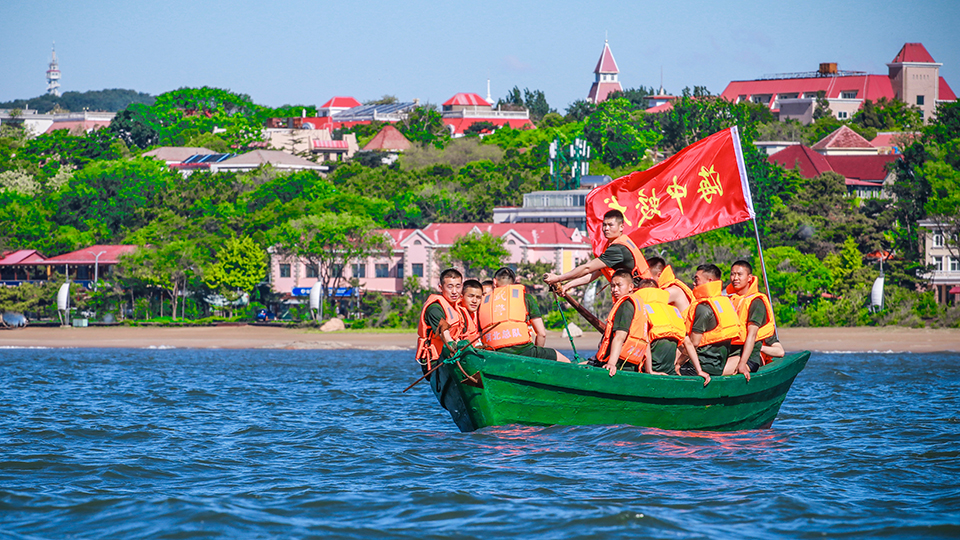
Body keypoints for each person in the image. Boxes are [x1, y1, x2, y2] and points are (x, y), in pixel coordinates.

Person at [543, 210, 651, 294]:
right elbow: (594, 273)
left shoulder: (617, 248)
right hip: (641, 291)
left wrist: (558, 278)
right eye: (604, 225)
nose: (606, 229)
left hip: (642, 293)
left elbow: (587, 268)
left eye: (610, 225)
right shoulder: (615, 244)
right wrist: (567, 286)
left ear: (621, 227)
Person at [478, 267, 570, 362]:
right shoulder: (525, 297)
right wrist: (536, 357)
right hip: (525, 351)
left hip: (495, 354)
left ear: (494, 282)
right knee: (565, 361)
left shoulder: (484, 301)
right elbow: (541, 334)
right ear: (513, 283)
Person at [634, 279, 708, 385]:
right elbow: (688, 344)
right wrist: (699, 370)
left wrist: (649, 370)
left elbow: (645, 341)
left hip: (652, 371)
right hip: (670, 371)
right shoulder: (673, 312)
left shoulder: (642, 311)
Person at [682, 264, 745, 378]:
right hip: (718, 367)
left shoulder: (703, 307)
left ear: (709, 281)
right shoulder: (726, 303)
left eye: (697, 279)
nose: (694, 283)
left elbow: (694, 343)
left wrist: (678, 363)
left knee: (670, 367)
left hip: (699, 367)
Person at [726, 260, 778, 380]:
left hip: (748, 356)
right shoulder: (730, 299)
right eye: (733, 274)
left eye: (739, 274)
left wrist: (743, 364)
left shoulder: (756, 302)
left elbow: (752, 334)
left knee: (721, 372)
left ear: (749, 278)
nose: (735, 278)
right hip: (730, 351)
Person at [595, 270, 649, 377]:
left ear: (630, 287)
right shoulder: (638, 303)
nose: (615, 290)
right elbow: (646, 340)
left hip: (619, 365)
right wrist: (649, 370)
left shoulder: (625, 305)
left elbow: (620, 337)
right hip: (632, 364)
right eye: (612, 286)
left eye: (619, 285)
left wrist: (611, 363)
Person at [415, 268, 464, 372]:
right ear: (441, 287)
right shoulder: (435, 309)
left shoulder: (457, 307)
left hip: (450, 356)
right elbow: (446, 336)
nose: (454, 291)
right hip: (436, 361)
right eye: (450, 287)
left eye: (458, 286)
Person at [459, 279, 484, 346]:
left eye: (478, 297)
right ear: (461, 297)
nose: (474, 301)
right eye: (471, 296)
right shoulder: (458, 315)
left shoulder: (478, 314)